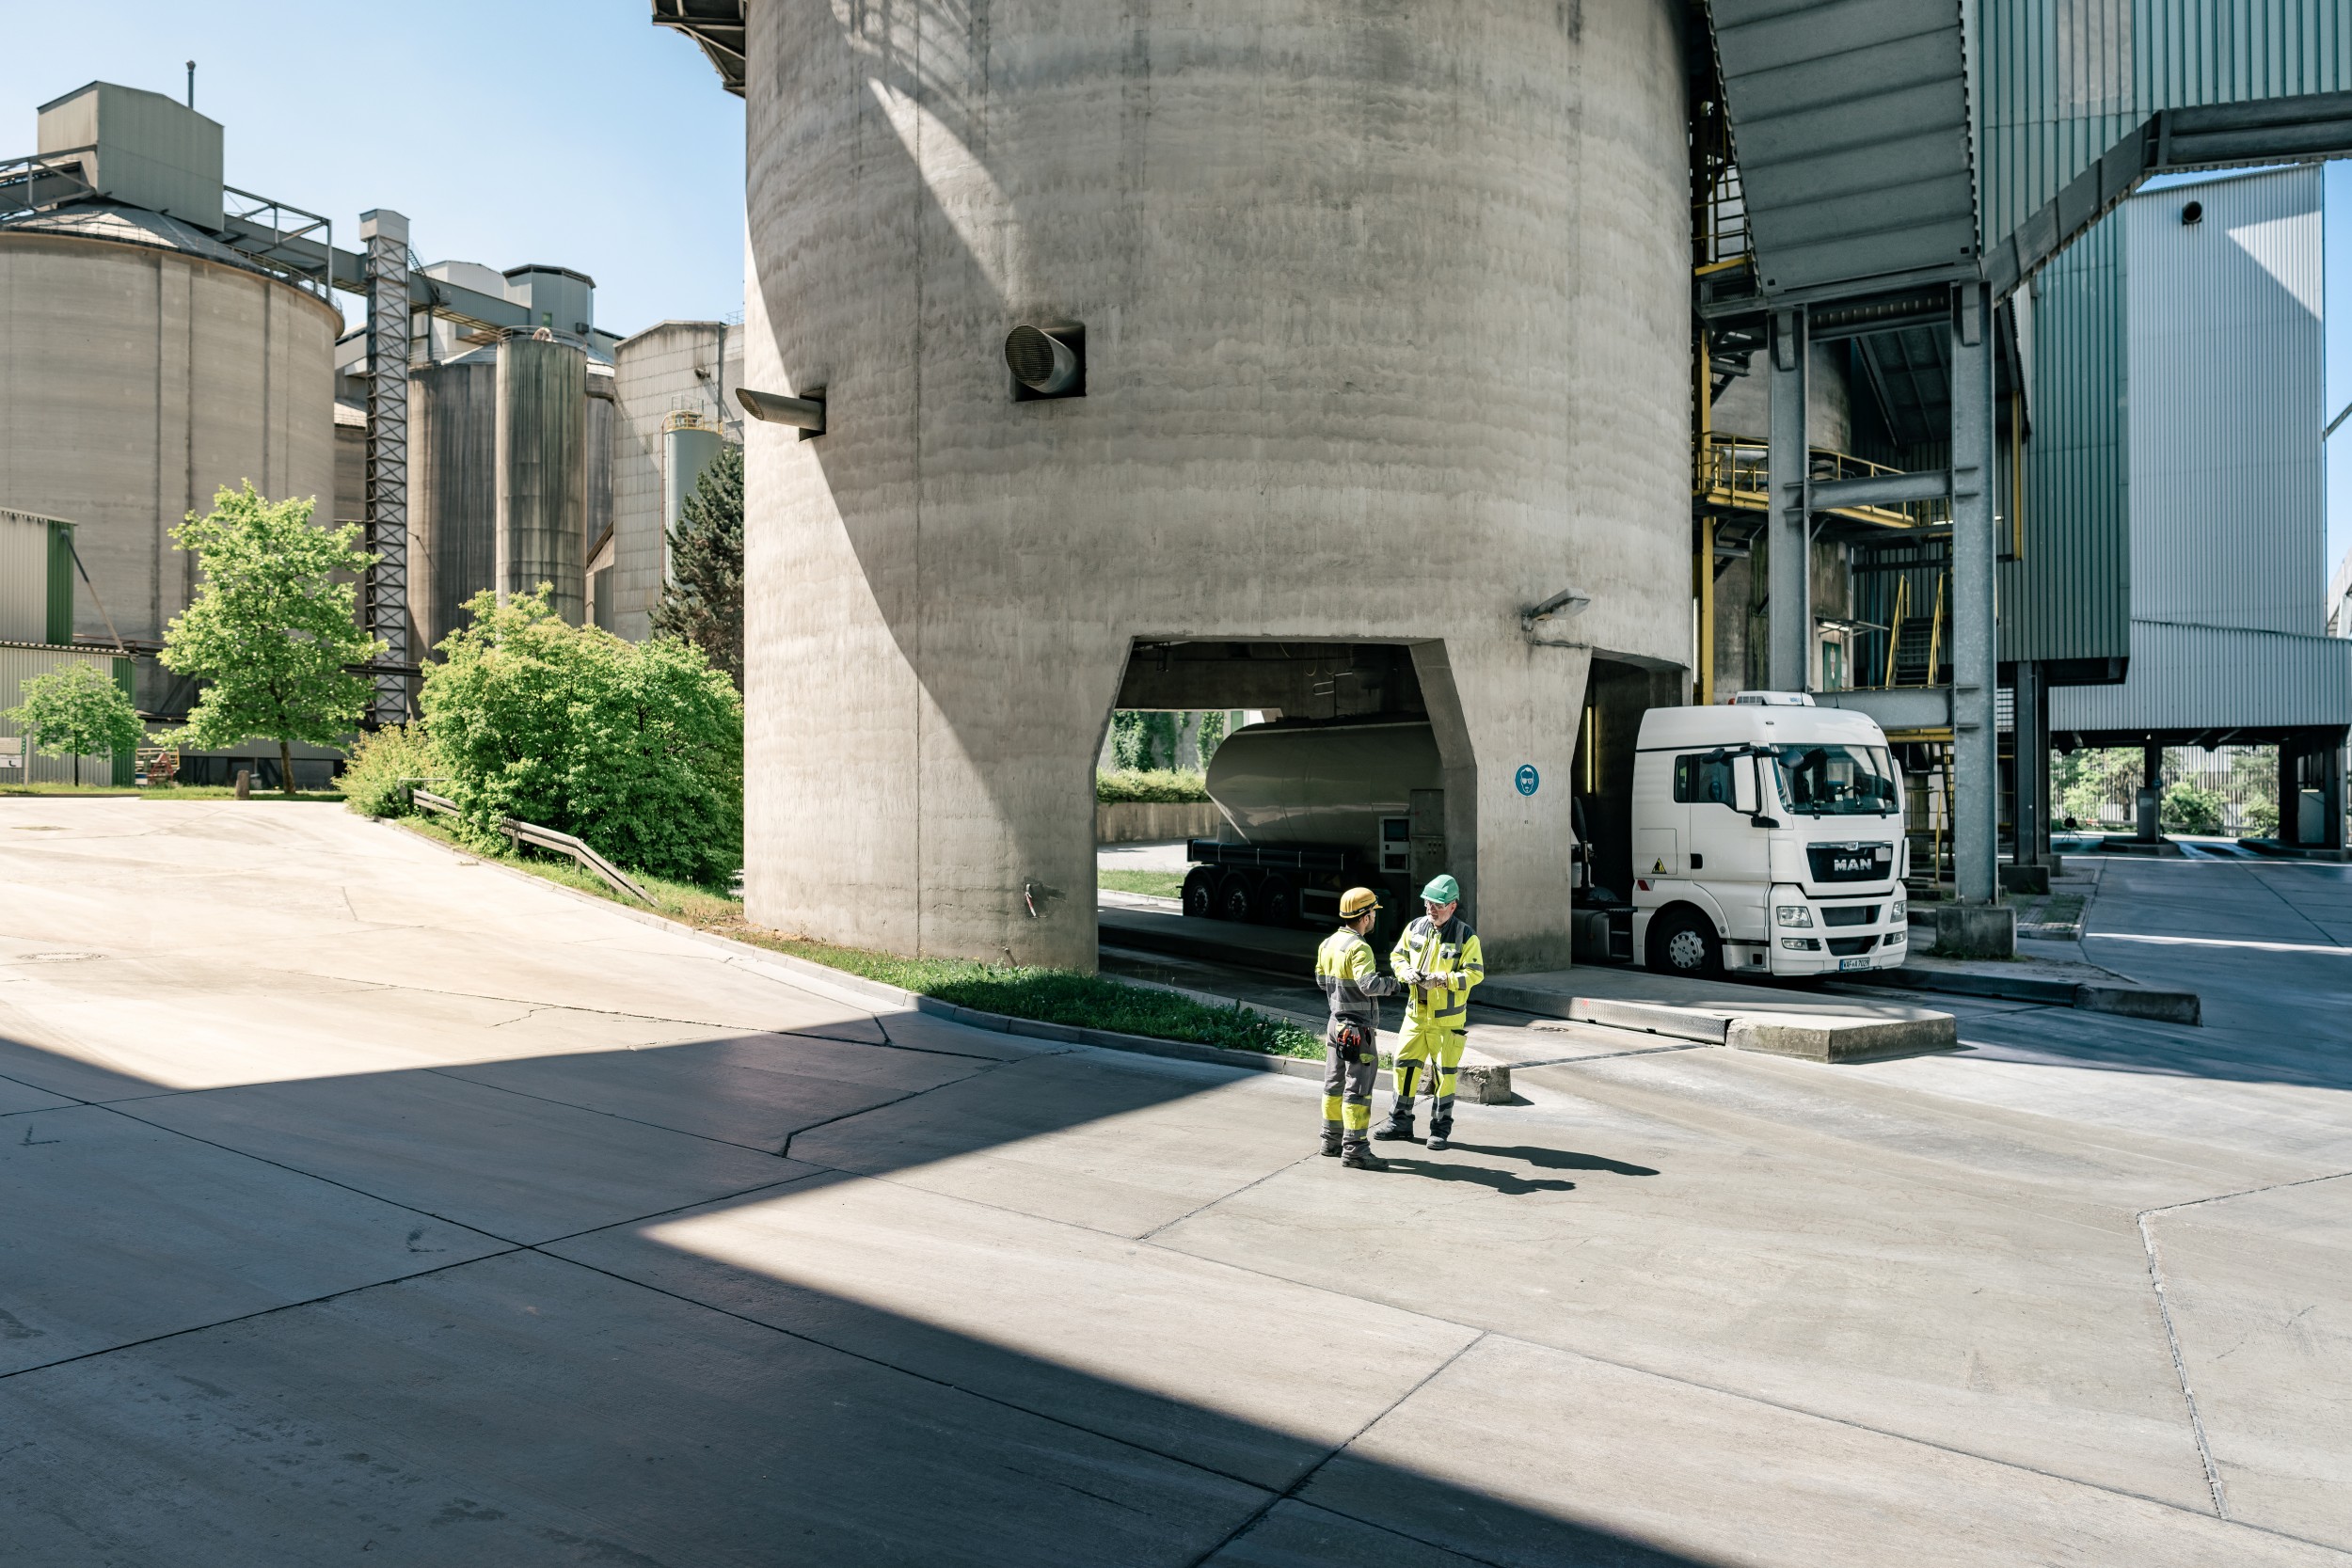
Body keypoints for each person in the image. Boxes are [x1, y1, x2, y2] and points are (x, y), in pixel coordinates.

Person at [1377, 873, 1484, 1151]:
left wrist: (1443, 979)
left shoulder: (1466, 936)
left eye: (1437, 904)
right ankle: (1399, 1123)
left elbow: (1475, 974)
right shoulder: (1415, 927)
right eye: (1428, 903)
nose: (1431, 909)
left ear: (1453, 905)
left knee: (1444, 1075)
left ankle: (1440, 1130)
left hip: (1446, 1022)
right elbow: (1398, 956)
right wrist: (1405, 972)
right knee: (1404, 1067)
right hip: (1415, 1017)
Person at [1314, 886, 1401, 1170]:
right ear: (1365, 917)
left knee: (1333, 1085)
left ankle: (1330, 1140)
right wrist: (1394, 984)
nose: (1375, 917)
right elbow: (1369, 984)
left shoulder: (1328, 944)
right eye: (1373, 912)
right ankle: (1355, 1150)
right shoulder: (1359, 947)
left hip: (1334, 1025)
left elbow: (1321, 982)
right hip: (1357, 1031)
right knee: (1358, 1091)